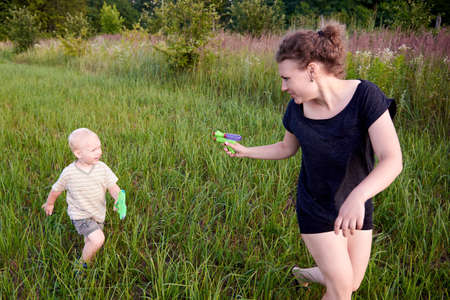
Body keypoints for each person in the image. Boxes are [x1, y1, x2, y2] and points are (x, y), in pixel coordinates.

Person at [222, 23, 402, 300]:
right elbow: (286, 147)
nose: (283, 87)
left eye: (286, 78)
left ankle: (304, 274)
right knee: (342, 292)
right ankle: (327, 275)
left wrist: (358, 197)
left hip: (356, 205)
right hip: (316, 207)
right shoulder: (296, 109)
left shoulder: (366, 97)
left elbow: (392, 160)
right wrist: (247, 151)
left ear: (312, 70)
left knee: (352, 282)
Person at [42, 128, 122, 270]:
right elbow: (56, 189)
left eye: (99, 147)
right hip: (80, 214)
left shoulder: (102, 168)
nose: (99, 152)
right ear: (78, 153)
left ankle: (87, 256)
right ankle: (81, 266)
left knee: (90, 241)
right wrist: (49, 203)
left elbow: (113, 187)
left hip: (97, 213)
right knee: (98, 239)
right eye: (93, 150)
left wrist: (117, 198)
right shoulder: (69, 173)